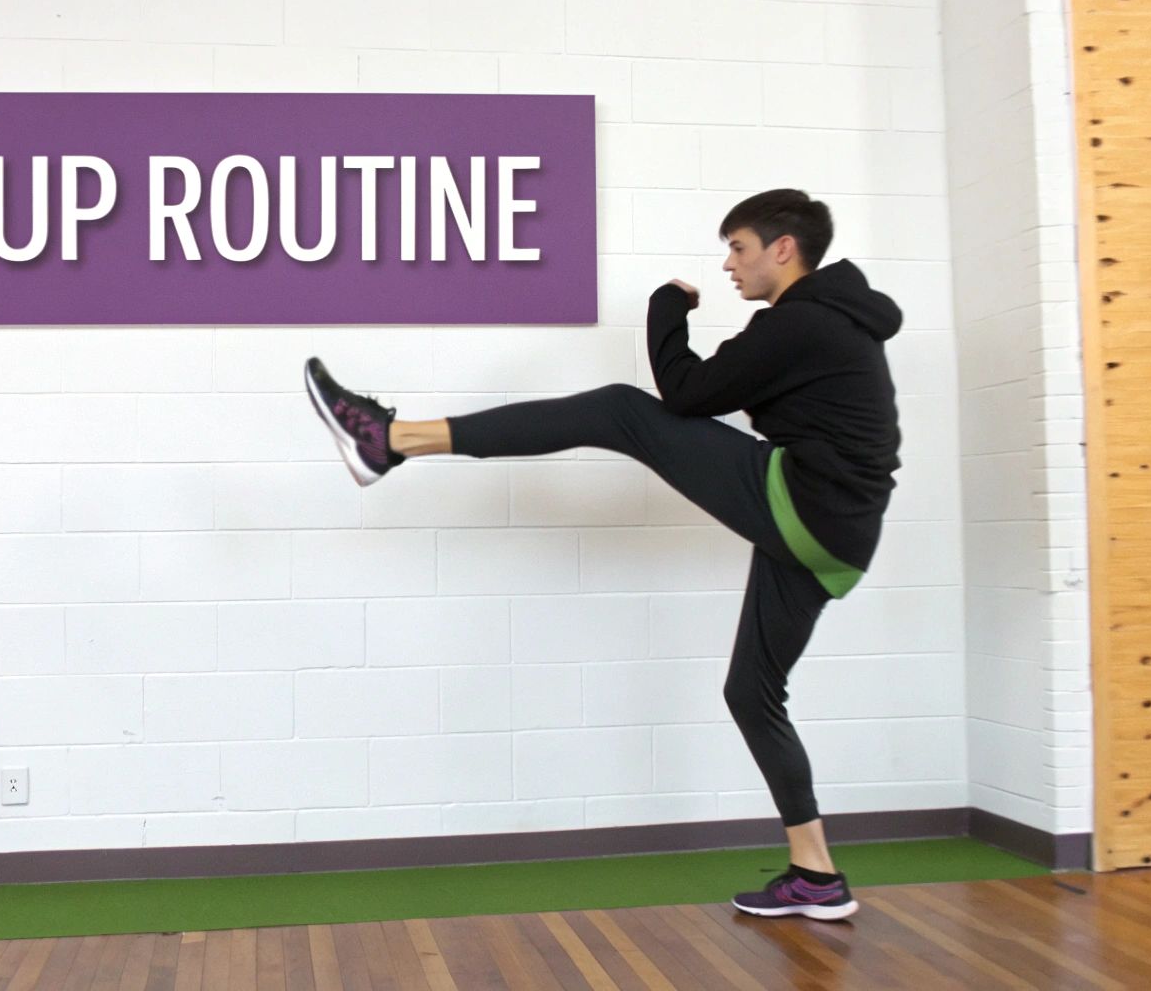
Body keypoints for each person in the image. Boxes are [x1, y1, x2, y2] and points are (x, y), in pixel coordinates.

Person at [303, 188, 901, 922]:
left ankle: (388, 440)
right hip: (838, 533)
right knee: (751, 692)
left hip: (809, 503)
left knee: (621, 410)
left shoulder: (801, 323)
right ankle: (816, 874)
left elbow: (681, 395)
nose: (728, 264)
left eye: (738, 248)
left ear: (784, 249)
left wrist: (665, 306)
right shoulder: (835, 323)